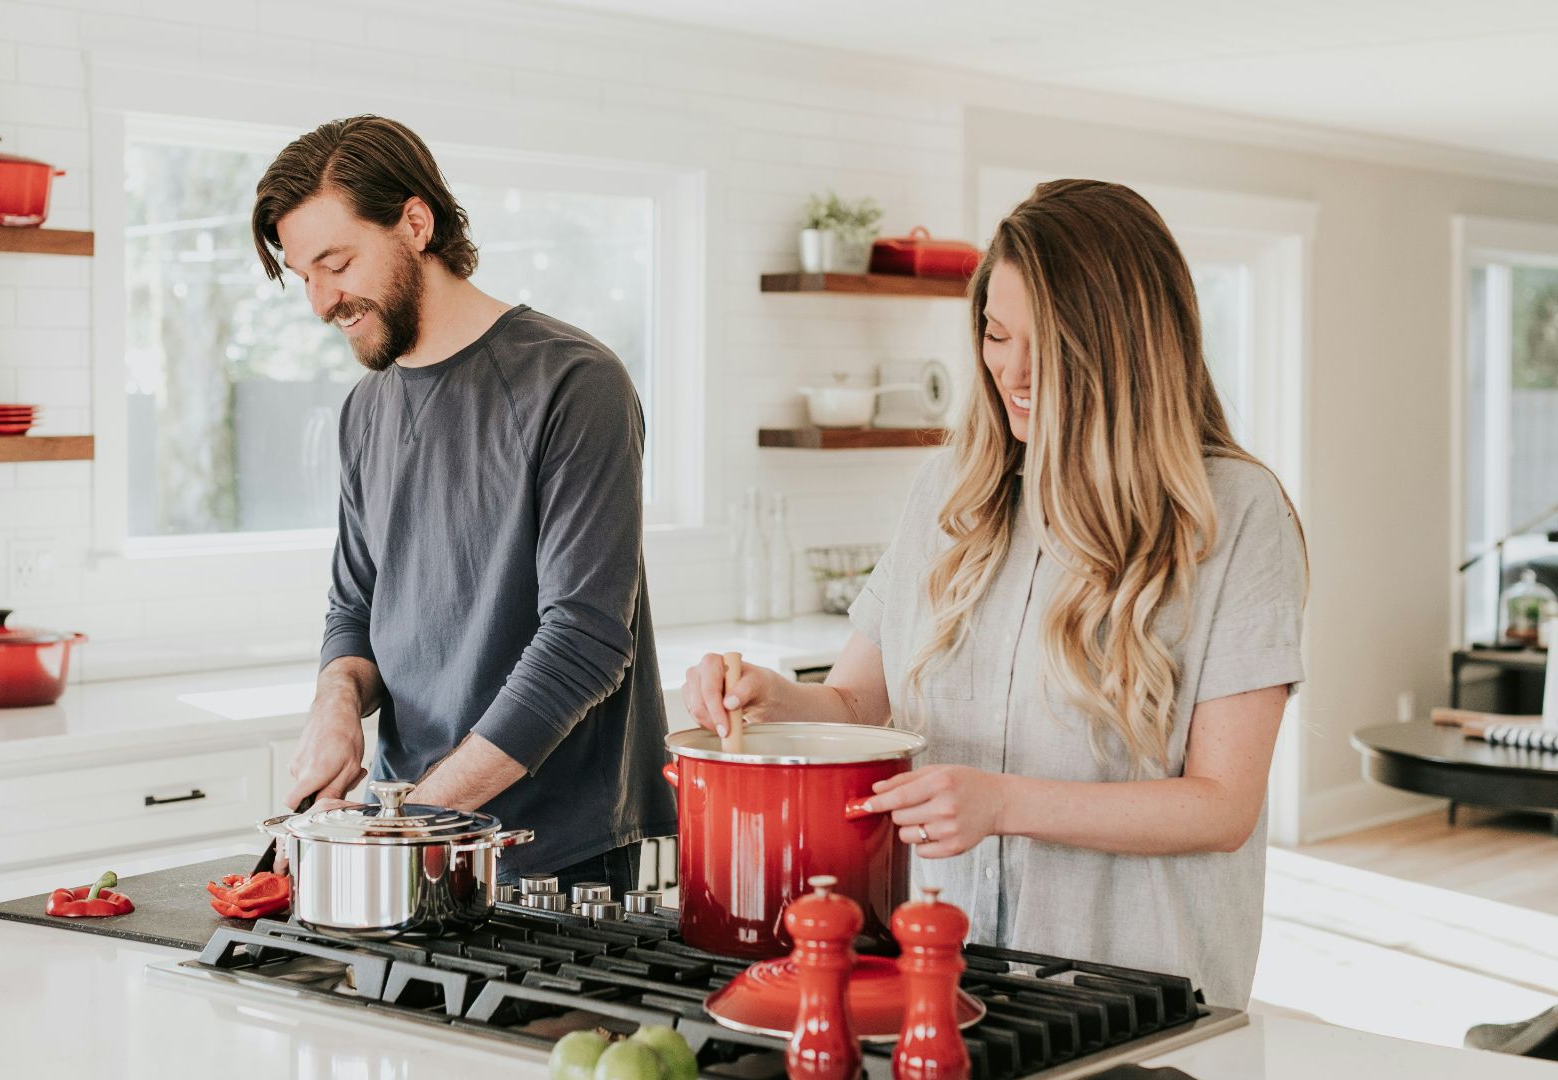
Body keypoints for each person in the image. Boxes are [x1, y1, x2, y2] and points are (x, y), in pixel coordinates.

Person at [683, 179, 1306, 1008]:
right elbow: (863, 703)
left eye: (1044, 342)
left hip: (1131, 991)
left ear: (1127, 345)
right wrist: (775, 701)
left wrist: (1005, 803)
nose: (1012, 370)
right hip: (941, 975)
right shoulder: (950, 491)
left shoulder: (1235, 515)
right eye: (995, 333)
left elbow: (1222, 805)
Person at [252, 115, 675, 897]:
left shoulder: (575, 383)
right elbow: (356, 607)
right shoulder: (365, 409)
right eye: (302, 274)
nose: (320, 302)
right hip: (402, 833)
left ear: (416, 223)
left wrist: (408, 825)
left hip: (553, 854)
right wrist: (336, 704)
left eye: (335, 263)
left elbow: (585, 642)